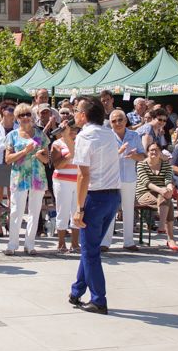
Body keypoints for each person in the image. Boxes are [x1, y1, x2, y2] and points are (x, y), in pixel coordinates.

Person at [68, 96, 120, 315]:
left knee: (90, 251)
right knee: (90, 248)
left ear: (84, 115)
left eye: (76, 111)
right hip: (112, 195)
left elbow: (83, 174)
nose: (73, 114)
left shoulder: (85, 136)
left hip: (95, 197)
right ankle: (77, 290)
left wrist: (79, 208)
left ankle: (99, 300)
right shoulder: (110, 133)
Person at [4, 103, 50, 255]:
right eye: (21, 115)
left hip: (37, 177)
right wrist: (25, 151)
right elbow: (8, 159)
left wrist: (39, 155)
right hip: (19, 177)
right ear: (16, 119)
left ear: (32, 116)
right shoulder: (12, 135)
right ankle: (12, 244)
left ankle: (30, 244)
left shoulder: (40, 135)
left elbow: (47, 159)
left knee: (35, 211)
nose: (25, 118)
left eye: (27, 114)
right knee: (16, 211)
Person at [105, 110, 145, 251]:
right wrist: (119, 152)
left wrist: (135, 156)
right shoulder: (107, 136)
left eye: (120, 119)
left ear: (126, 120)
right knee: (110, 210)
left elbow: (143, 155)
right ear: (110, 123)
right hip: (112, 178)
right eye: (114, 121)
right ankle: (105, 242)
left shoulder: (134, 135)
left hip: (129, 177)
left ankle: (128, 242)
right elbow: (103, 158)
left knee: (128, 210)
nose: (118, 123)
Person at [136, 142, 178, 251]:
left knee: (166, 198)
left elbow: (168, 180)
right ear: (147, 152)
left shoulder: (166, 165)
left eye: (156, 150)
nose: (154, 152)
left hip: (162, 194)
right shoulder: (141, 164)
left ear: (160, 152)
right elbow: (146, 183)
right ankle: (170, 238)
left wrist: (169, 189)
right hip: (144, 193)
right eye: (151, 150)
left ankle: (162, 227)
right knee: (166, 198)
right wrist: (162, 190)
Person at [51, 120, 81, 253]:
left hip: (79, 181)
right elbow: (57, 165)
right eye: (70, 128)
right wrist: (69, 156)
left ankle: (75, 244)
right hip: (62, 181)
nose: (73, 130)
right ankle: (61, 243)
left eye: (75, 128)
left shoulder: (81, 142)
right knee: (62, 211)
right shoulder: (57, 144)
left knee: (77, 211)